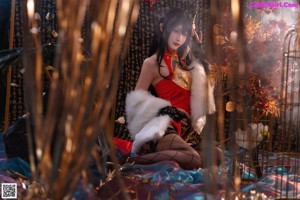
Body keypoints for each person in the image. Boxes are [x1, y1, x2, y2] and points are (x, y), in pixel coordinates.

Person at [124, 8, 217, 170]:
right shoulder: (151, 63)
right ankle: (126, 162)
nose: (180, 38)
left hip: (179, 132)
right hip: (160, 127)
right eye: (176, 31)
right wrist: (171, 111)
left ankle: (162, 156)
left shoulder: (185, 64)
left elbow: (208, 85)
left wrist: (198, 50)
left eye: (185, 34)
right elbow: (135, 105)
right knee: (193, 159)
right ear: (162, 28)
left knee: (217, 155)